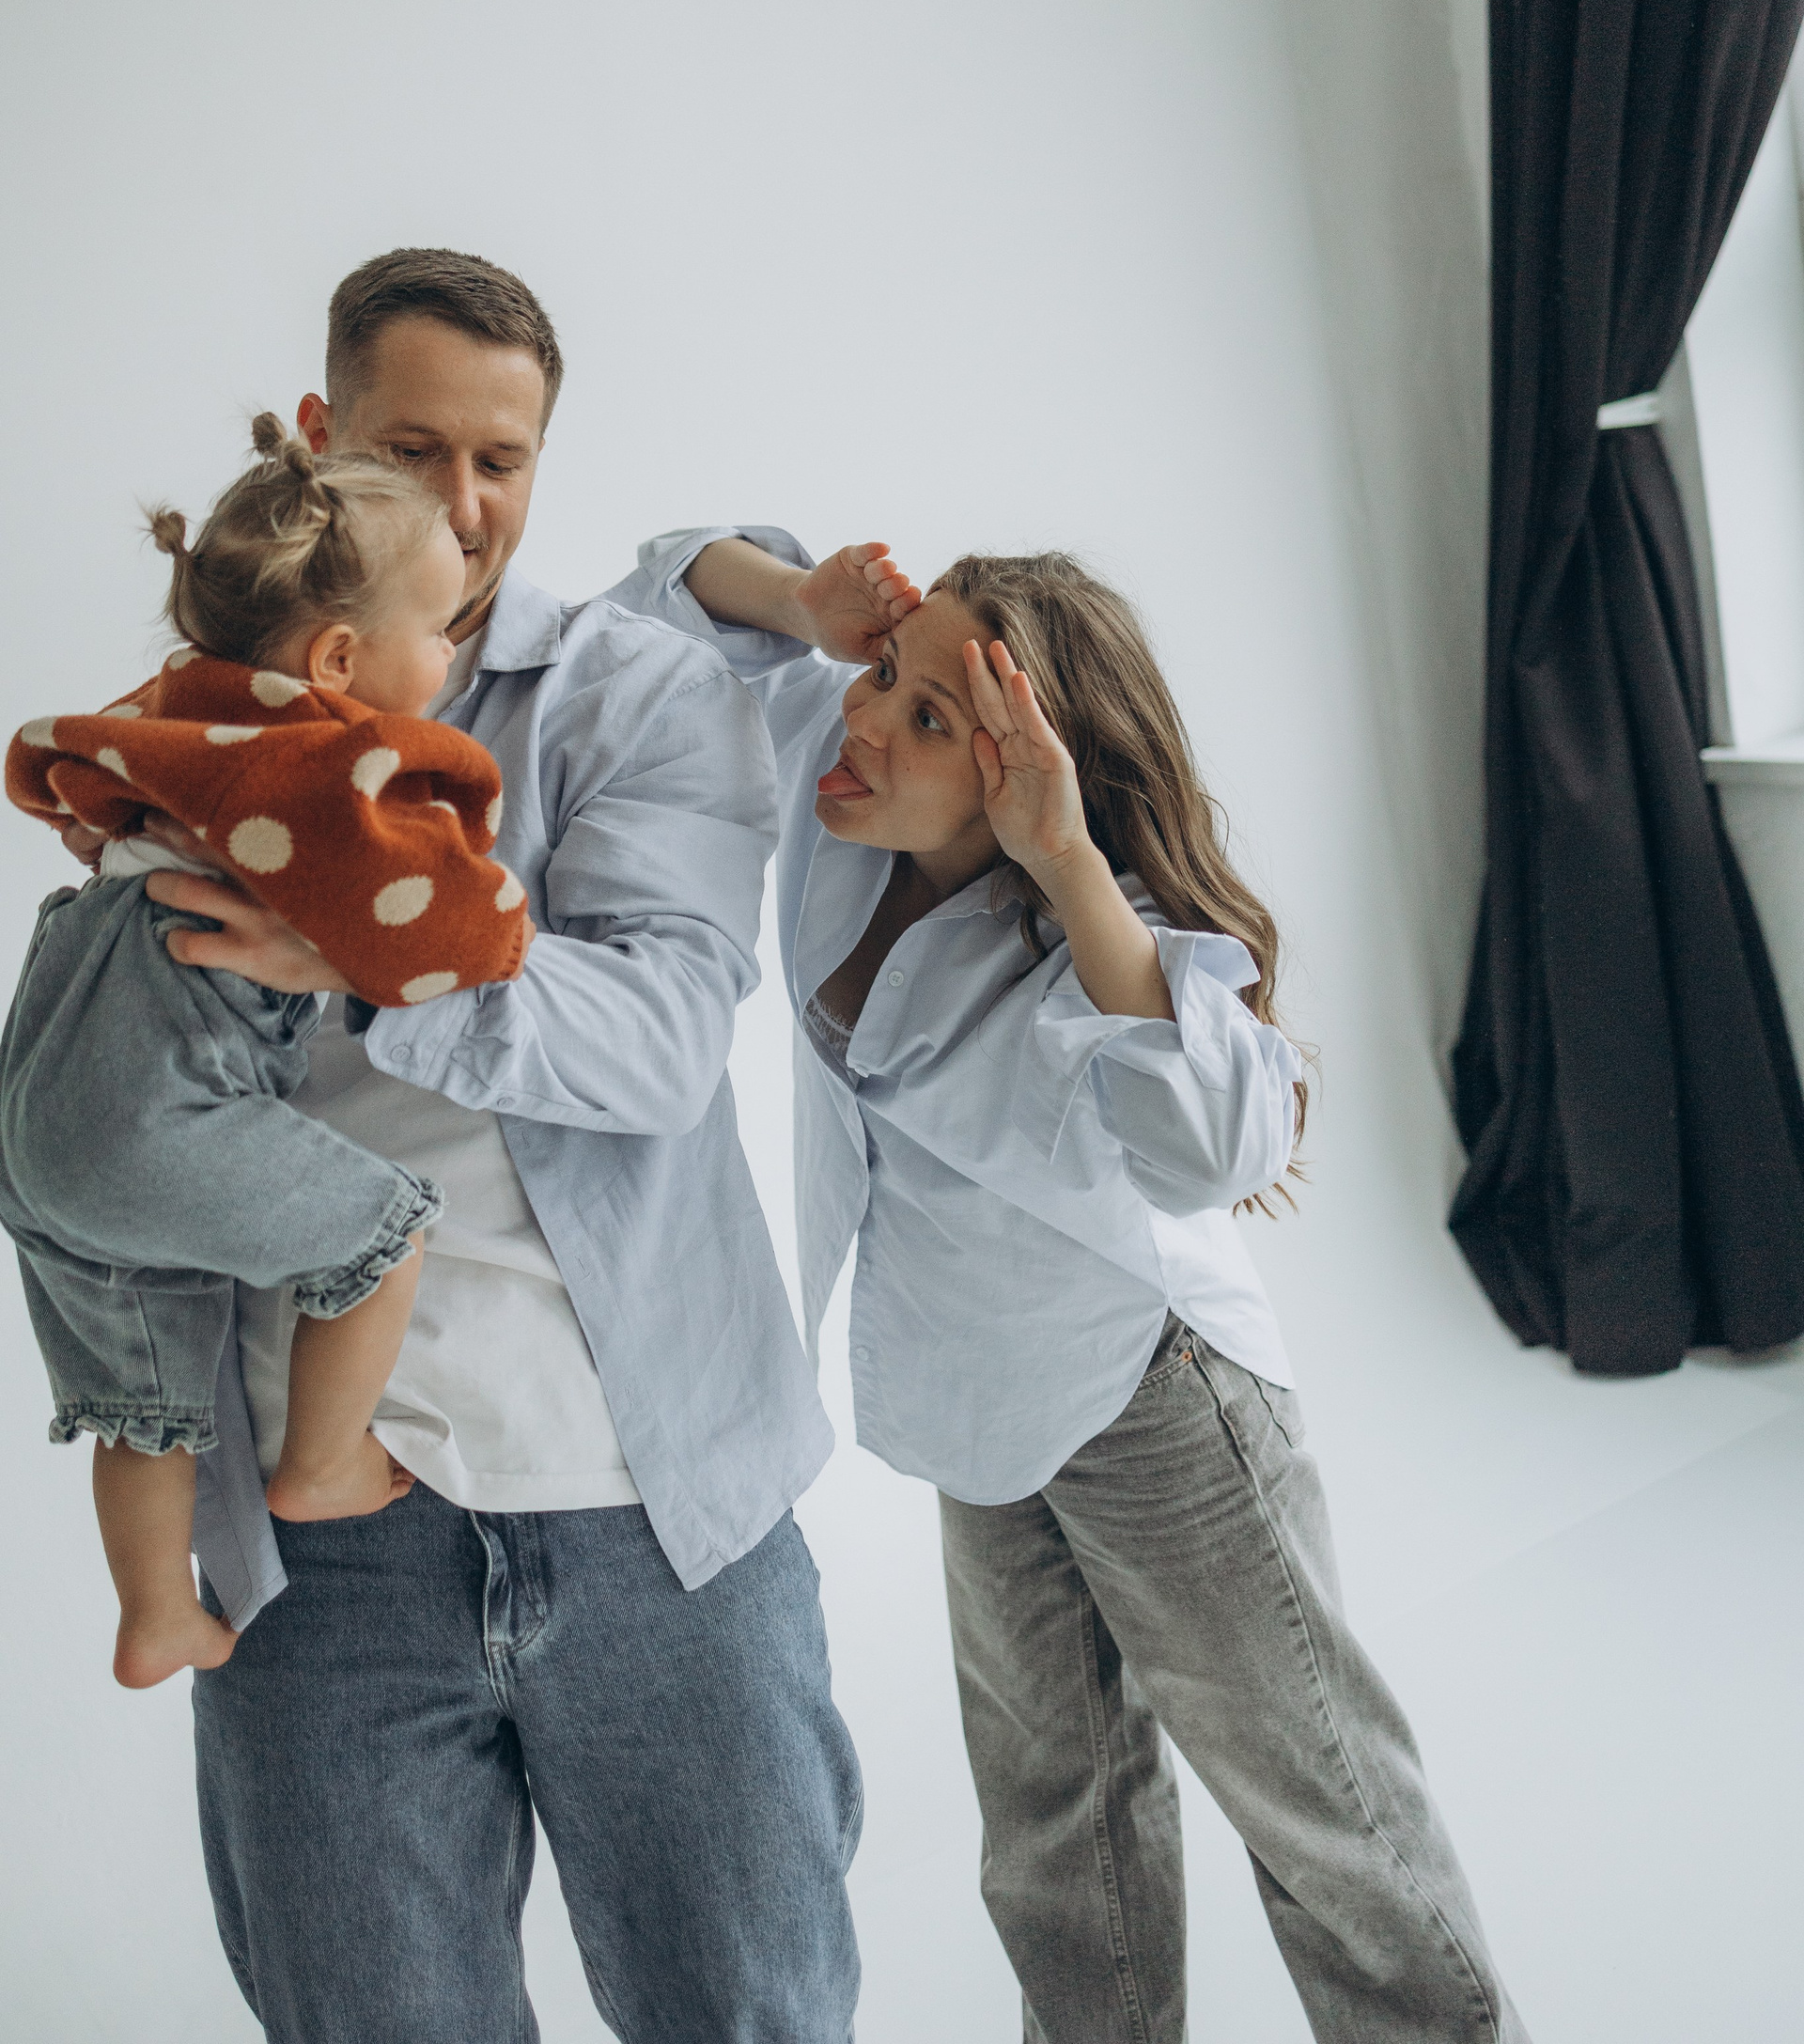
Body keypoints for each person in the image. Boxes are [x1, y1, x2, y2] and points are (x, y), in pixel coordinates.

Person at [616, 524, 1529, 2044]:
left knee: (1325, 1823)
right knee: (1056, 1845)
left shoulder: (1088, 939)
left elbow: (1221, 1144)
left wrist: (1070, 867)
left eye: (929, 717)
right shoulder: (837, 793)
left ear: (1026, 771)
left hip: (1155, 1403)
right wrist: (806, 606)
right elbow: (665, 593)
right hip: (977, 1411)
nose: (866, 720)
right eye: (885, 679)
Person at [121, 257, 861, 2044]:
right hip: (324, 1542)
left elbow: (664, 1041)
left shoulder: (638, 695)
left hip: (660, 1519)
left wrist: (363, 962)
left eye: (504, 463)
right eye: (411, 450)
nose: (463, 508)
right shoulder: (195, 727)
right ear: (320, 438)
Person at [2, 418, 530, 1688]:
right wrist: (502, 915)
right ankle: (325, 1462)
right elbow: (448, 932)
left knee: (147, 1392)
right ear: (340, 660)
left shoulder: (186, 714)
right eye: (439, 632)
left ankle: (156, 1614)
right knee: (387, 1234)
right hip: (153, 1116)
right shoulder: (320, 767)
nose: (451, 656)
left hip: (39, 1114)